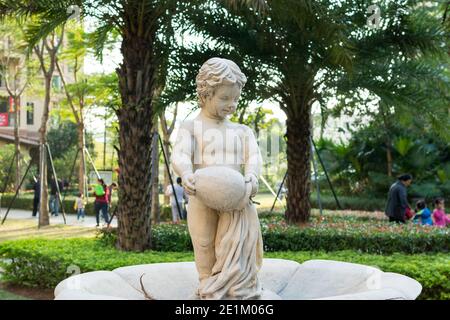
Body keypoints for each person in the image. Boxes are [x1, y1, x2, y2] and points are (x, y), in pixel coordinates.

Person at [172, 58, 263, 299]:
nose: (232, 104)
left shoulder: (242, 131)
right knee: (203, 242)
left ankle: (235, 285)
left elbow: (253, 155)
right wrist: (186, 173)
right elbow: (180, 154)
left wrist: (252, 176)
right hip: (202, 195)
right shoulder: (191, 127)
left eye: (236, 99)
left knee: (230, 244)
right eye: (225, 98)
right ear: (205, 94)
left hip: (236, 199)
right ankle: (208, 286)